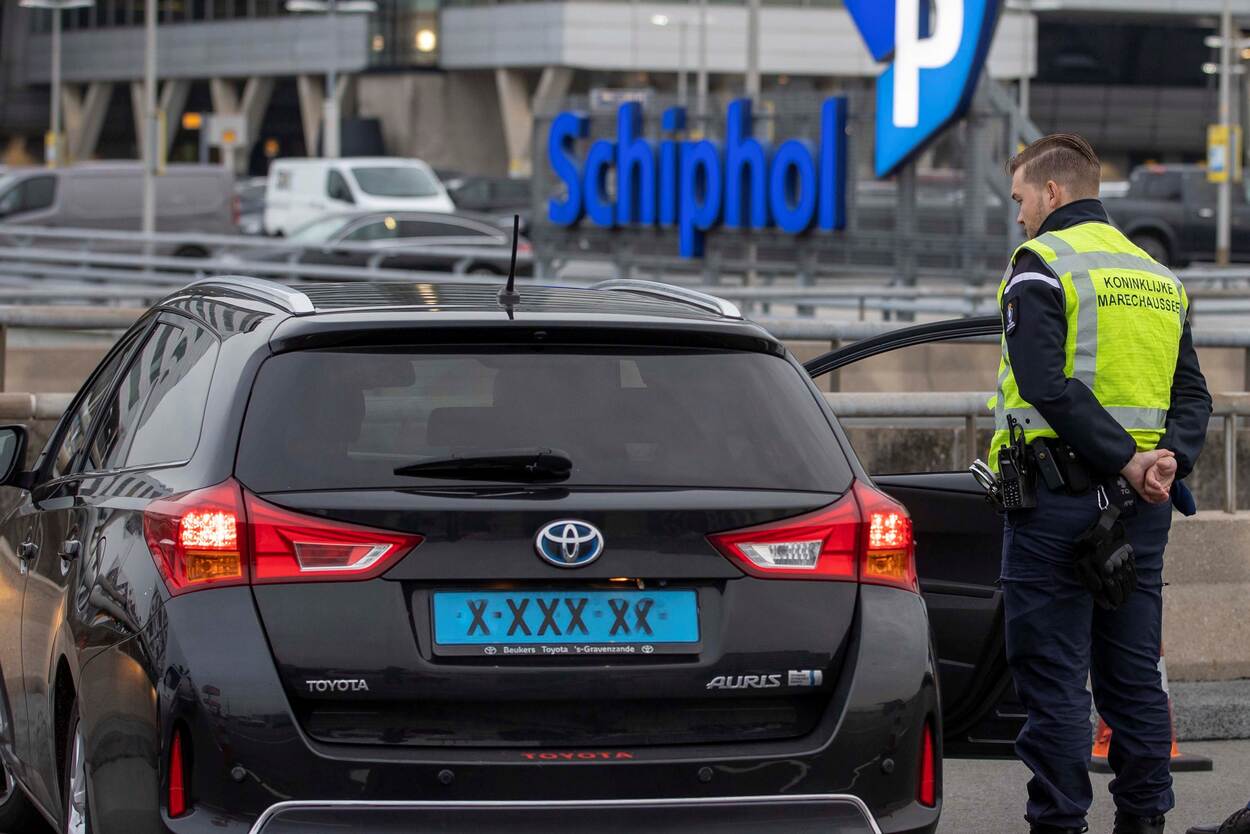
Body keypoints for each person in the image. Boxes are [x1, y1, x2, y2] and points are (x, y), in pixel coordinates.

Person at [991, 134, 1212, 834]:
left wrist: (1123, 458)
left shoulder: (1042, 264)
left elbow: (1044, 383)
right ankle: (1145, 822)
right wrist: (1164, 460)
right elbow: (1194, 397)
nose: (1019, 215)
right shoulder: (1158, 278)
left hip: (1057, 502)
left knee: (1056, 682)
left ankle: (1059, 825)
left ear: (1052, 193)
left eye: (1021, 198)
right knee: (1133, 680)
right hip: (1140, 511)